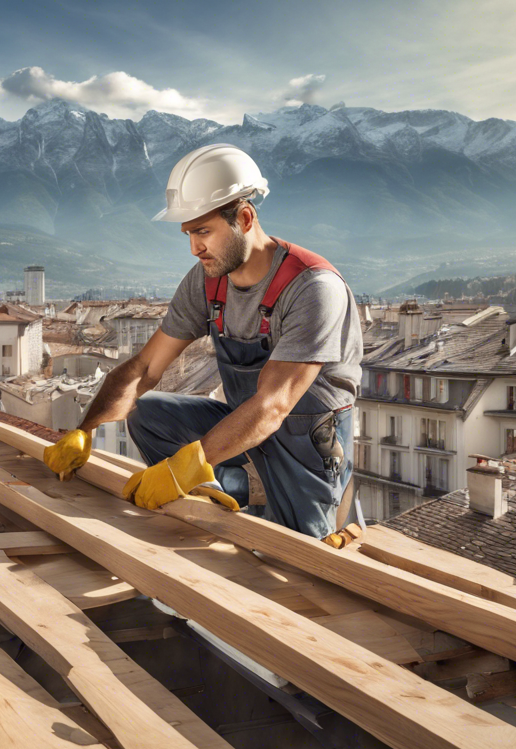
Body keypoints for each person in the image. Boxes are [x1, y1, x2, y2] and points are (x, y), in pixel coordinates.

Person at [42, 144, 363, 538]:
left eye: (203, 231)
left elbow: (273, 405)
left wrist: (183, 468)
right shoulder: (207, 281)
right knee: (147, 413)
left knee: (299, 552)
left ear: (244, 218)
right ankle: (223, 494)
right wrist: (86, 429)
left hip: (306, 446)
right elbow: (145, 368)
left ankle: (281, 498)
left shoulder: (312, 288)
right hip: (244, 430)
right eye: (189, 233)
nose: (194, 248)